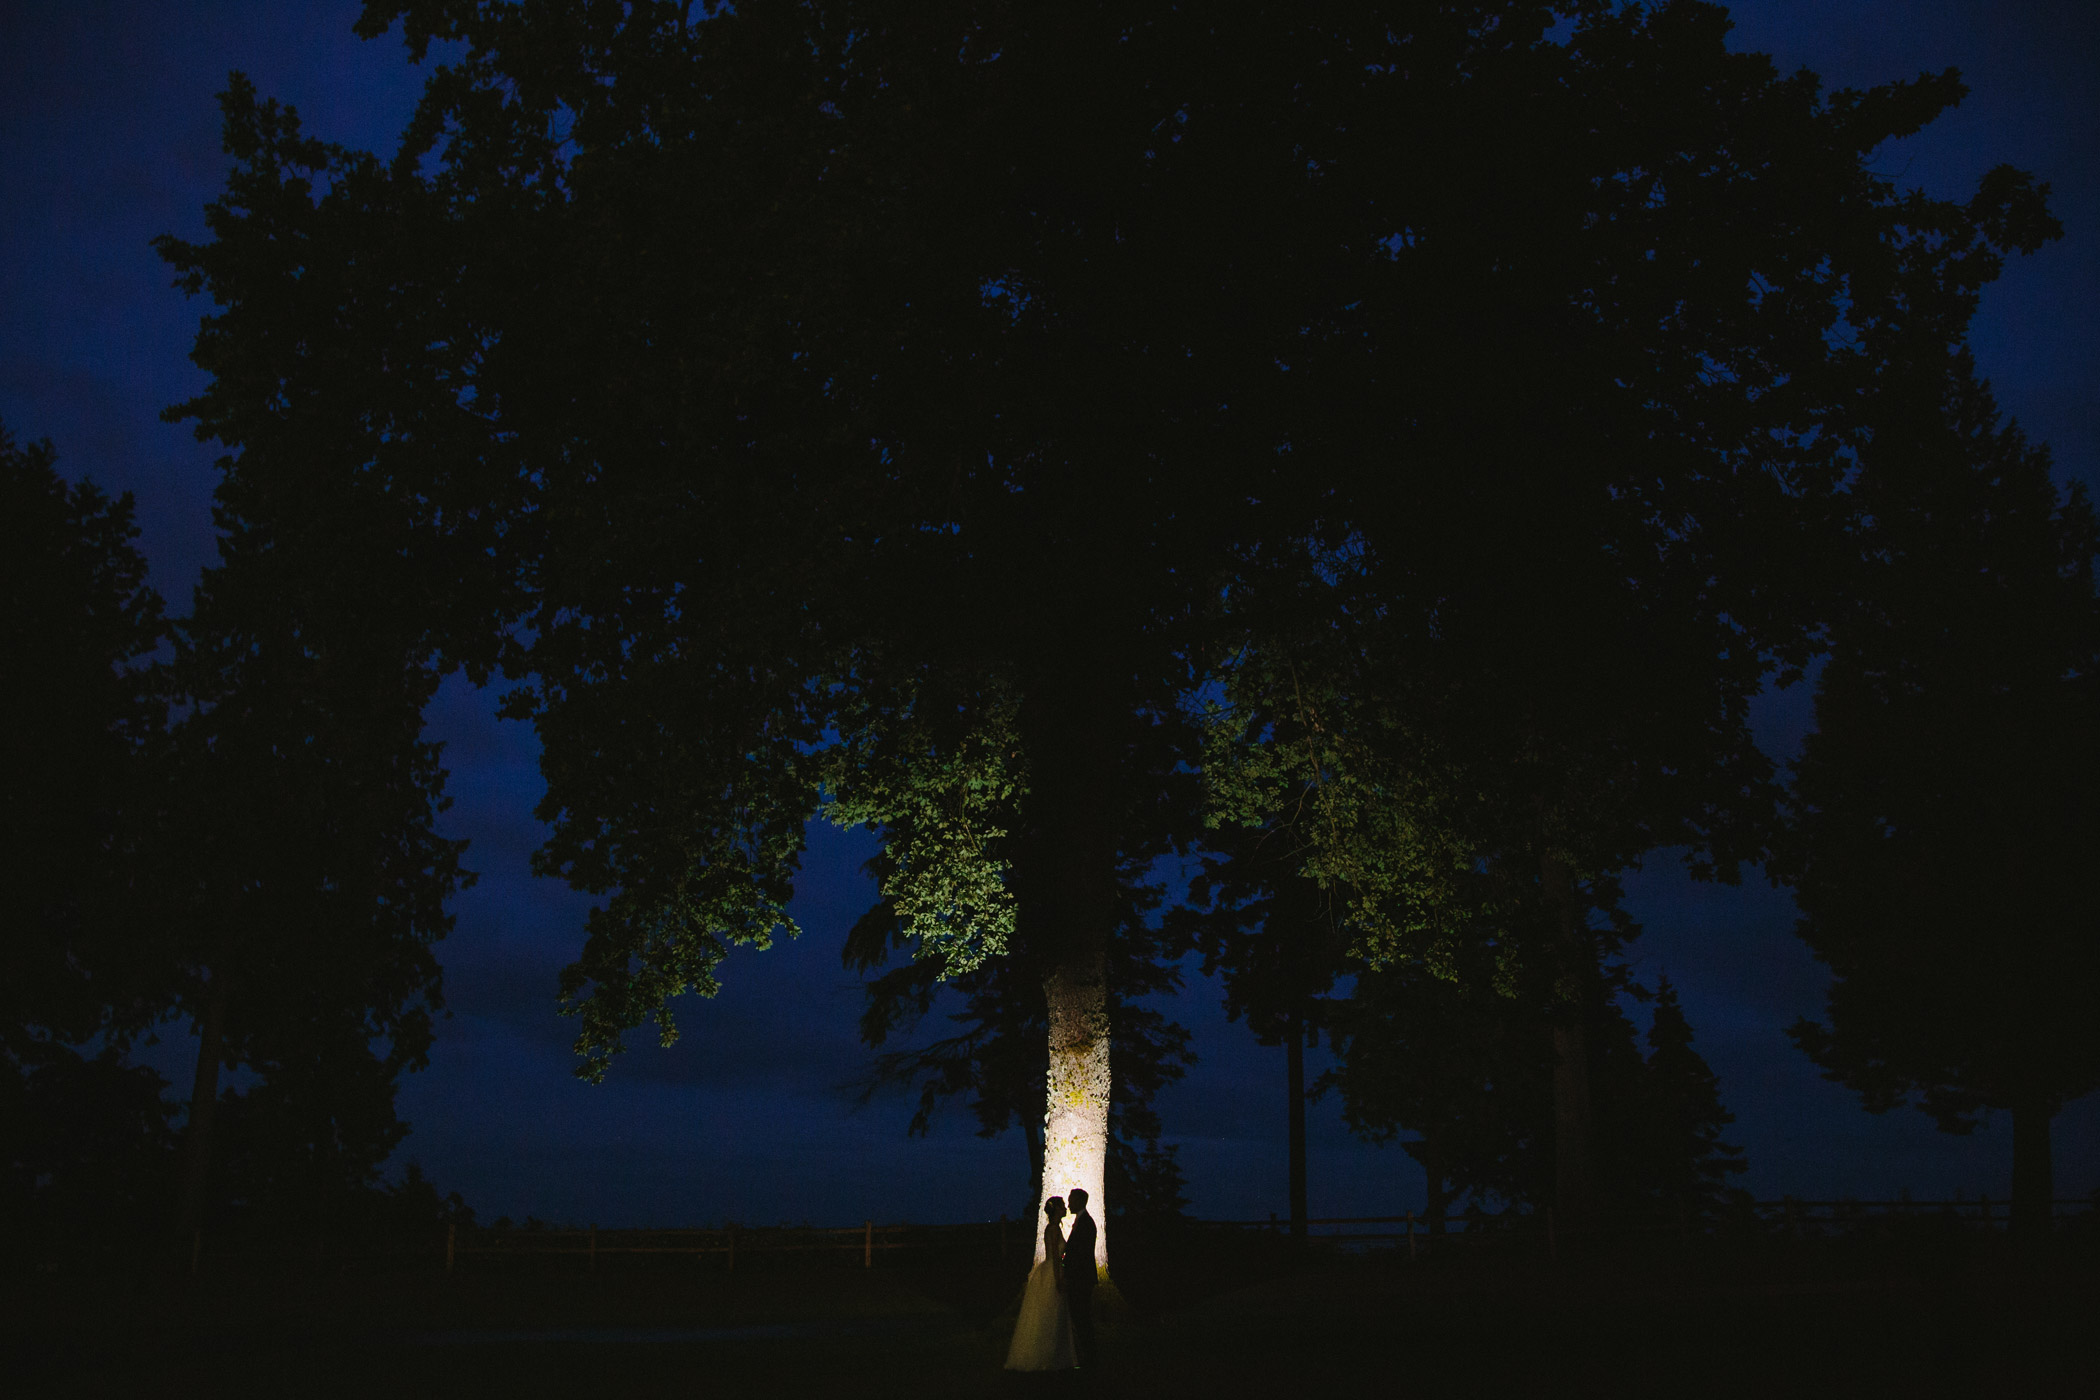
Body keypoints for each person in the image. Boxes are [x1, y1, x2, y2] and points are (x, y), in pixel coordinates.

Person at [1004, 1196, 1077, 1371]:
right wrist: (1059, 1278)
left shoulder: (1054, 1228)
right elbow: (1055, 1255)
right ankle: (1048, 1356)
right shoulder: (1053, 1229)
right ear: (1057, 1210)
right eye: (1062, 1206)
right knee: (1051, 1312)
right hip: (1053, 1271)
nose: (1065, 1208)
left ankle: (1054, 1355)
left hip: (1051, 1269)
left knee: (1053, 1313)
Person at [1062, 1187, 1099, 1369]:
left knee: (1082, 1317)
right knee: (1080, 1317)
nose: (1068, 1204)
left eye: (1071, 1200)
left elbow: (1080, 1254)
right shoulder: (1082, 1221)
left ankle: (1090, 1356)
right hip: (1080, 1278)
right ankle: (1087, 1354)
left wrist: (1067, 1272)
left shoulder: (1086, 1223)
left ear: (1079, 1201)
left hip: (1081, 1279)